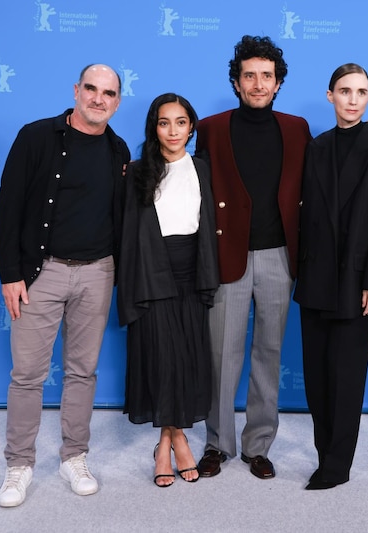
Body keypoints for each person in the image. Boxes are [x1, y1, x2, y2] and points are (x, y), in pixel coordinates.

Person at [0, 64, 130, 507]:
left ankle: (74, 455)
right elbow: (7, 207)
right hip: (41, 272)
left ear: (117, 101)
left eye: (108, 93)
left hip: (98, 273)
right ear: (76, 90)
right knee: (28, 375)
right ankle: (19, 465)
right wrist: (9, 273)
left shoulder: (118, 149)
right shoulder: (36, 137)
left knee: (81, 372)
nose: (98, 99)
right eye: (91, 89)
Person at [194, 35, 312, 479]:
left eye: (267, 76)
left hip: (281, 256)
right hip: (228, 255)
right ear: (237, 81)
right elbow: (185, 180)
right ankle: (217, 444)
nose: (259, 84)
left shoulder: (297, 128)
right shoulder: (210, 128)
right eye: (250, 76)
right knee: (221, 355)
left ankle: (258, 445)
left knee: (269, 352)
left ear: (278, 83)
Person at [293, 63, 368, 490]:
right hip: (316, 276)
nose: (352, 99)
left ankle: (337, 466)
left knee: (346, 376)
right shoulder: (316, 147)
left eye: (361, 92)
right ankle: (326, 454)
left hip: (360, 282)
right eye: (344, 91)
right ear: (330, 96)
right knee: (317, 374)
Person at [116, 93, 219, 487]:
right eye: (164, 122)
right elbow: (128, 231)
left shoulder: (204, 169)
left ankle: (167, 440)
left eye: (181, 122)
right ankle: (174, 442)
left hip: (194, 272)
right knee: (162, 357)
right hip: (151, 271)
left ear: (192, 127)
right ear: (153, 128)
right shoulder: (138, 171)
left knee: (187, 357)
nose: (173, 130)